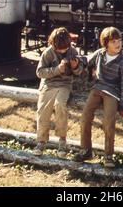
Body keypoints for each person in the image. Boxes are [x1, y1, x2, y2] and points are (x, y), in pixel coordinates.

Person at [76, 26, 123, 168]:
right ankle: (86, 150)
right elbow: (86, 61)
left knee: (109, 122)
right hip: (97, 88)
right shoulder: (100, 54)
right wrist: (76, 61)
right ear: (105, 43)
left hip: (112, 92)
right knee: (85, 116)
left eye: (119, 41)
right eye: (113, 41)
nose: (118, 44)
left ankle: (108, 155)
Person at [34, 27, 83, 157]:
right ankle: (41, 140)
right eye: (59, 49)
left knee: (60, 105)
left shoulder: (72, 51)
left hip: (64, 84)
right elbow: (39, 72)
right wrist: (57, 69)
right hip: (48, 84)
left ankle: (62, 140)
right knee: (43, 109)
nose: (62, 51)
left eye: (65, 48)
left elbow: (80, 72)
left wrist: (76, 67)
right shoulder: (48, 53)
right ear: (53, 44)